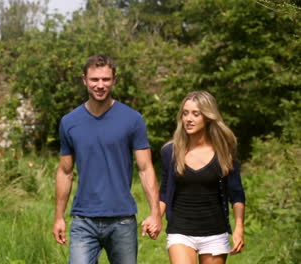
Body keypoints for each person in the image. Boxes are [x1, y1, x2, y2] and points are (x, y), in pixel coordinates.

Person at [52, 54, 162, 264]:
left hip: (122, 219)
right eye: (94, 79)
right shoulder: (69, 122)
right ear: (84, 80)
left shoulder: (132, 120)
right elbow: (65, 172)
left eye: (106, 79)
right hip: (83, 220)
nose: (100, 85)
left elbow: (146, 168)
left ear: (114, 80)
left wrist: (155, 213)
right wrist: (59, 217)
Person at [159, 91, 246, 264]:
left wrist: (239, 229)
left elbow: (236, 195)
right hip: (180, 231)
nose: (188, 119)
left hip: (215, 232)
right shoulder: (171, 152)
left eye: (195, 114)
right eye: (185, 113)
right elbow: (164, 192)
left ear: (207, 117)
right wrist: (155, 218)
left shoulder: (224, 152)